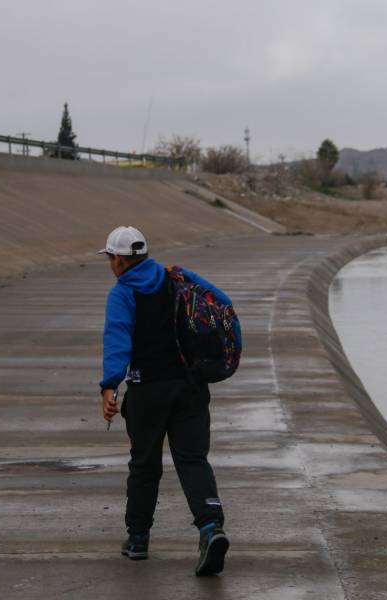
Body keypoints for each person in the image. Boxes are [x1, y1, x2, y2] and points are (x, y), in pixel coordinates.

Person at [99, 225, 232, 577]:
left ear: (121, 261)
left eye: (111, 259)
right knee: (192, 460)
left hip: (147, 391)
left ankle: (138, 539)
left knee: (144, 464)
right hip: (189, 387)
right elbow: (222, 302)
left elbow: (117, 340)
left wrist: (109, 386)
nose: (110, 265)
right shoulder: (176, 278)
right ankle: (210, 528)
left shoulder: (123, 293)